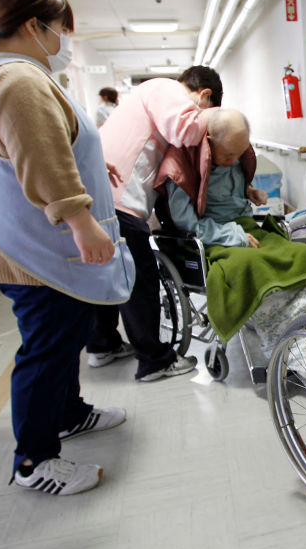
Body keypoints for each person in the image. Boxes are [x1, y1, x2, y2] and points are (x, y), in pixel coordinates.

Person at [0, 0, 136, 495]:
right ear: (35, 27)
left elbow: (43, 144)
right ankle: (34, 460)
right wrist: (80, 221)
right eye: (63, 30)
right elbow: (39, 161)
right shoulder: (17, 81)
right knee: (47, 347)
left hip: (34, 243)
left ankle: (68, 413)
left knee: (63, 338)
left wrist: (92, 165)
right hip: (39, 250)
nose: (65, 42)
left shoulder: (1, 75)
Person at [156, 109, 306, 386]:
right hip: (212, 236)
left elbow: (227, 187)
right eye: (227, 157)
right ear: (208, 142)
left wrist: (249, 192)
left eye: (239, 155)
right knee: (252, 266)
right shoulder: (179, 168)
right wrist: (232, 236)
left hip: (246, 224)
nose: (234, 161)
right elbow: (189, 225)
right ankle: (289, 350)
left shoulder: (233, 153)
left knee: (302, 254)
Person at [84, 65, 223, 381]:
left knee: (104, 276)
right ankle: (155, 361)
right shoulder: (165, 87)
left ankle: (102, 345)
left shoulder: (145, 99)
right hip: (119, 200)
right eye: (206, 109)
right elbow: (186, 130)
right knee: (138, 280)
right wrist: (220, 122)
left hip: (101, 196)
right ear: (204, 95)